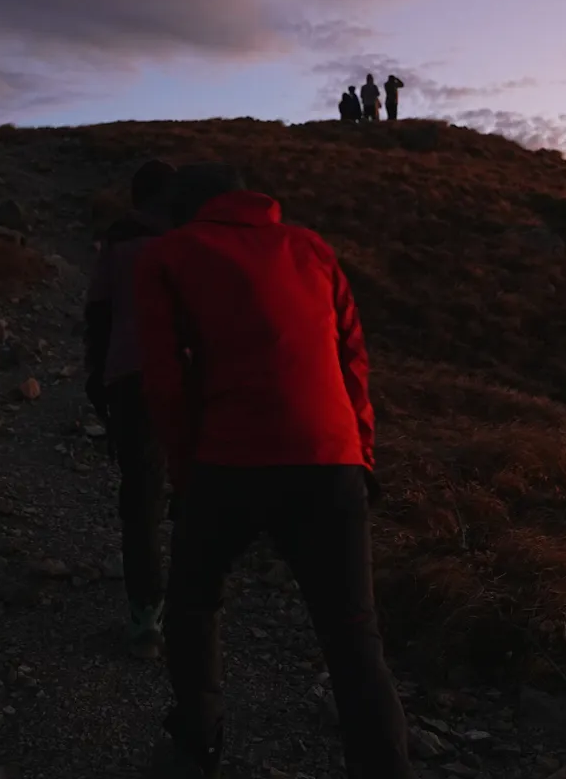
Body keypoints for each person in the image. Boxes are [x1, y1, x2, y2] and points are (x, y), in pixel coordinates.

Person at [135, 164, 412, 779]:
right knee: (353, 635)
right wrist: (361, 455)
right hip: (330, 461)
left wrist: (185, 473)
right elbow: (352, 360)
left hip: (229, 459)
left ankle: (196, 742)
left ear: (187, 208)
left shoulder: (169, 253)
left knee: (193, 601)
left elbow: (164, 382)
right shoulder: (311, 248)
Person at [82, 158, 177, 659]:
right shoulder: (192, 242)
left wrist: (95, 378)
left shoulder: (118, 244)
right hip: (189, 377)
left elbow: (97, 313)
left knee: (140, 496)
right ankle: (197, 604)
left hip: (131, 380)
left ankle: (146, 616)